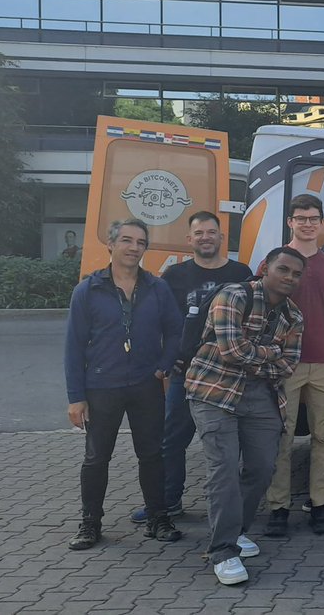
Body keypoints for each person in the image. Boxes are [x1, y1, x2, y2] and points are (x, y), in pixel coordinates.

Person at [186, 246, 305, 585]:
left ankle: (235, 531)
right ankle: (222, 551)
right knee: (223, 468)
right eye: (283, 269)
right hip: (214, 391)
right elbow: (231, 350)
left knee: (262, 467)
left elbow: (289, 364)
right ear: (265, 267)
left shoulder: (294, 316)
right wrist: (270, 352)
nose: (289, 278)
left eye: (296, 274)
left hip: (262, 394)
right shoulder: (234, 294)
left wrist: (264, 360)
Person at [64, 219, 184, 550]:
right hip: (102, 386)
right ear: (111, 245)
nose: (134, 247)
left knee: (152, 455)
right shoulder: (87, 291)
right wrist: (76, 398)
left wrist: (163, 366)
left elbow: (175, 329)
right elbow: (74, 347)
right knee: (96, 458)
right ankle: (90, 523)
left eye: (141, 242)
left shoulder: (157, 287)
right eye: (127, 240)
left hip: (146, 384)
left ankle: (159, 518)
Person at [129, 211, 252, 524]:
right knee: (172, 440)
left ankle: (232, 508)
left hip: (228, 372)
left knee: (228, 444)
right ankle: (168, 503)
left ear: (221, 238)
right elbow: (165, 323)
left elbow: (252, 321)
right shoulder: (174, 276)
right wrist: (167, 359)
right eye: (199, 233)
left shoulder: (242, 272)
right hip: (187, 371)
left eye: (211, 232)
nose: (205, 238)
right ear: (190, 239)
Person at [263, 194, 324, 538]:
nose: (307, 223)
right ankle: (278, 508)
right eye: (301, 218)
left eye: (313, 218)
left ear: (321, 221)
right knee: (281, 437)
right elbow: (261, 311)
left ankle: (320, 505)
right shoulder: (275, 261)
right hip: (284, 363)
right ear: (290, 222)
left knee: (323, 438)